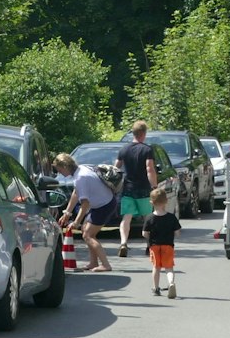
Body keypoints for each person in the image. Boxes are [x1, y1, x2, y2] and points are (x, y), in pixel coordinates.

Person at [54, 153, 115, 272]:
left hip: (104, 205)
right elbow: (76, 193)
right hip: (102, 203)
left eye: (59, 169)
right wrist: (67, 213)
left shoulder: (80, 177)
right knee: (86, 231)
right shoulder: (81, 169)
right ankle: (93, 263)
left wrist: (76, 222)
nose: (59, 172)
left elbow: (85, 204)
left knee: (88, 235)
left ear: (65, 166)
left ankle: (106, 265)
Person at [114, 120, 159, 256]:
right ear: (144, 133)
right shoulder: (147, 149)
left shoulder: (124, 149)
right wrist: (154, 186)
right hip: (143, 189)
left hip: (128, 188)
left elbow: (116, 168)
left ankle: (123, 243)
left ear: (133, 133)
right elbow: (149, 169)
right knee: (147, 218)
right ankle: (149, 245)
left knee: (126, 218)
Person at [145, 184, 180, 298]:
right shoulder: (171, 217)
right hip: (168, 245)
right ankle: (171, 283)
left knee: (156, 267)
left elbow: (144, 233)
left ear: (151, 202)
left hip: (154, 246)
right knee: (169, 267)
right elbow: (177, 232)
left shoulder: (149, 218)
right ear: (166, 202)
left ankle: (156, 288)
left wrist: (149, 238)